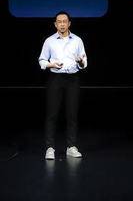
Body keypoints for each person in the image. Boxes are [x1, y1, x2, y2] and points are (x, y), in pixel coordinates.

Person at [37, 11, 87, 160]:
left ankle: (71, 147)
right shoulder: (49, 41)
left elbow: (84, 62)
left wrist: (80, 62)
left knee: (72, 114)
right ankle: (50, 148)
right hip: (55, 78)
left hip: (73, 79)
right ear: (55, 24)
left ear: (69, 23)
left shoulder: (77, 40)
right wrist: (51, 64)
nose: (62, 24)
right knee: (52, 114)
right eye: (59, 22)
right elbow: (42, 60)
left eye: (65, 21)